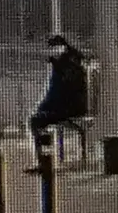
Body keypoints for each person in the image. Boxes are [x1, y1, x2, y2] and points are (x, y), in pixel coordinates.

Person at [29, 32, 90, 168]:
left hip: (68, 109)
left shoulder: (67, 68)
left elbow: (61, 93)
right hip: (65, 107)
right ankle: (43, 160)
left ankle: (43, 162)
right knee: (37, 119)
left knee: (36, 121)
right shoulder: (66, 65)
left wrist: (45, 109)